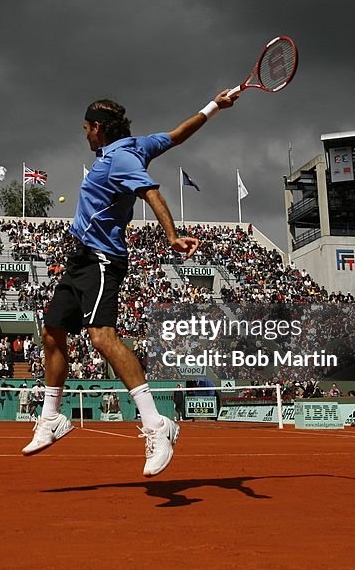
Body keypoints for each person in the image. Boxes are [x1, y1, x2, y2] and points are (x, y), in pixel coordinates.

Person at [21, 89, 238, 477]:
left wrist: (172, 235)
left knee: (102, 338)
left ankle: (157, 425)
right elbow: (177, 135)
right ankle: (52, 417)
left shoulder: (121, 159)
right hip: (80, 258)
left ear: (99, 129)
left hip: (102, 261)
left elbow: (151, 192)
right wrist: (213, 106)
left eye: (86, 129)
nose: (85, 135)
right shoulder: (134, 146)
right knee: (53, 333)